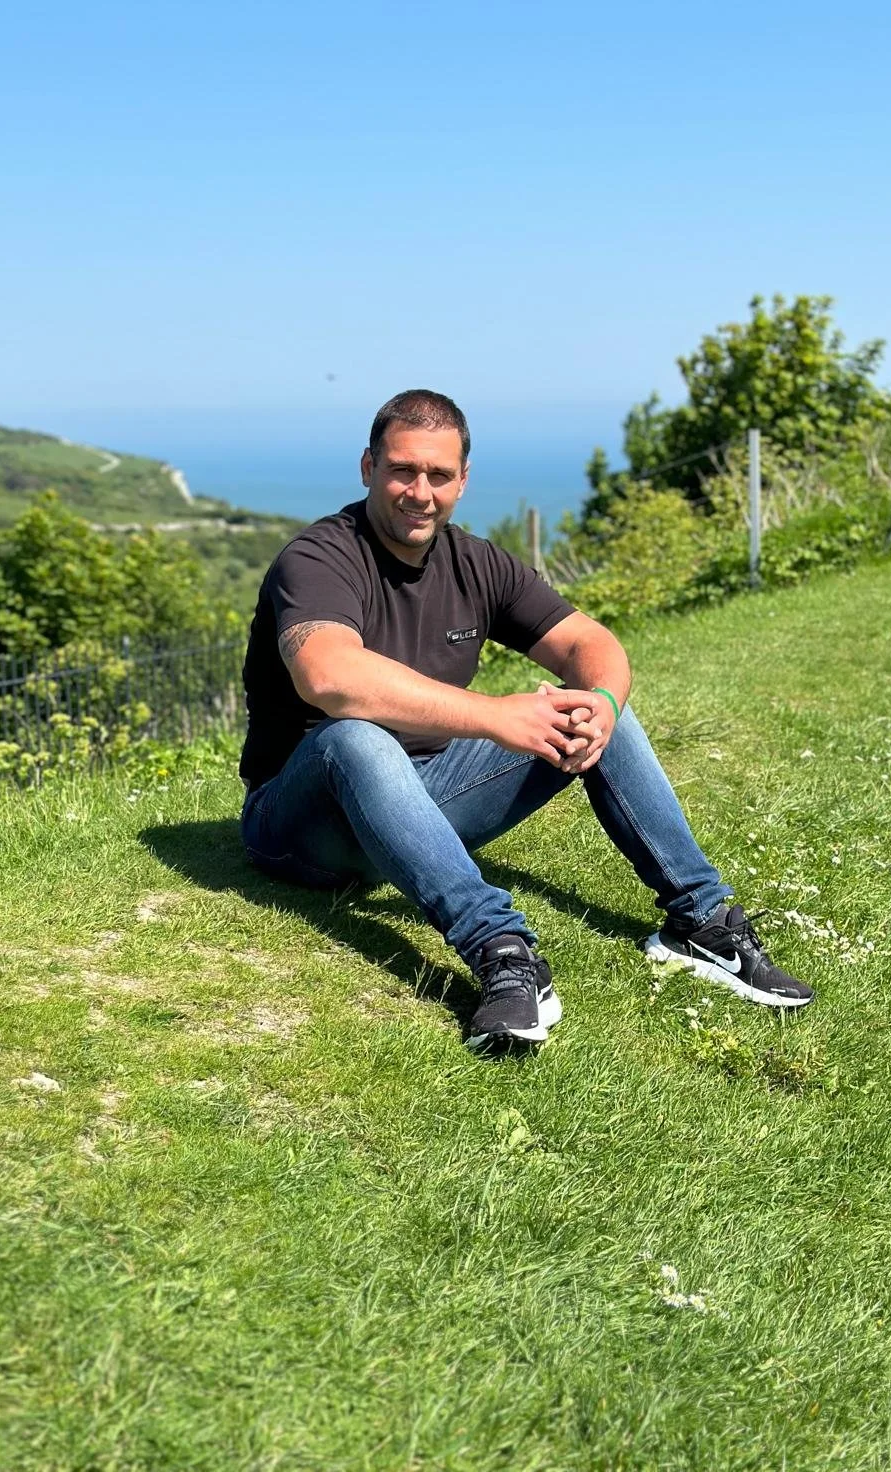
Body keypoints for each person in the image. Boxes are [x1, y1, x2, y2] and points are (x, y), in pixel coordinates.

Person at [239, 389, 813, 1049]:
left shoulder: (477, 563)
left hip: (425, 799)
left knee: (594, 710)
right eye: (402, 470)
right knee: (355, 740)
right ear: (368, 467)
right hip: (303, 823)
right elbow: (329, 675)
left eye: (439, 475)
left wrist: (599, 703)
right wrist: (493, 717)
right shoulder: (319, 558)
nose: (419, 491)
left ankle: (700, 922)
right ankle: (503, 952)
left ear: (463, 480)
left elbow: (590, 645)